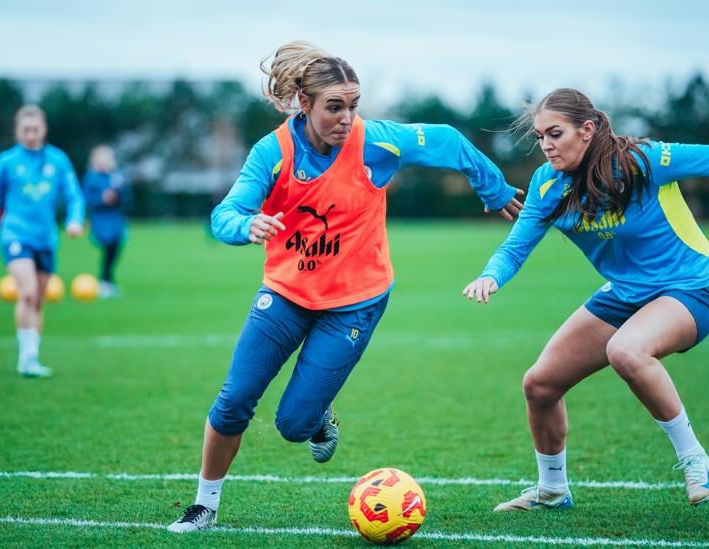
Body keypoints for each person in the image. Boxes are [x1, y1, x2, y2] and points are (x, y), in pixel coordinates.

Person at [168, 40, 525, 533]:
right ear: (304, 102)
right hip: (287, 294)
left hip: (355, 303)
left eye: (354, 105)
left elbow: (446, 139)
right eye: (334, 107)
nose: (346, 117)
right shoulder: (273, 151)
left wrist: (494, 187)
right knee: (234, 400)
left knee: (294, 426)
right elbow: (224, 213)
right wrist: (244, 227)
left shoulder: (375, 142)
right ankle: (205, 504)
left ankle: (318, 415)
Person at [462, 88, 709, 510]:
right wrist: (490, 275)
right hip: (624, 295)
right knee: (539, 385)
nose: (545, 146)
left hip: (690, 288)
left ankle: (695, 459)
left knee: (627, 351)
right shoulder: (547, 185)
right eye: (540, 137)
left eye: (554, 134)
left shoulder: (642, 161)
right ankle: (552, 490)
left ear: (587, 129)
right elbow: (515, 247)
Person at [0, 105, 85, 378]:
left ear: (44, 129)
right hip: (15, 235)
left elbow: (74, 195)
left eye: (35, 129)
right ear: (17, 131)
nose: (31, 134)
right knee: (27, 292)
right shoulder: (7, 161)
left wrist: (74, 218)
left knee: (38, 300)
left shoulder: (58, 160)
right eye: (25, 130)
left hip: (46, 238)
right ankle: (25, 358)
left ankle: (32, 356)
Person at [82, 145, 131, 298]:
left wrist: (116, 196)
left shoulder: (117, 176)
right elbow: (87, 198)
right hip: (101, 218)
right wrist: (102, 199)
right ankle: (105, 280)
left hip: (115, 217)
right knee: (108, 245)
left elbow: (127, 197)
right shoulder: (92, 177)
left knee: (115, 247)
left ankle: (107, 280)